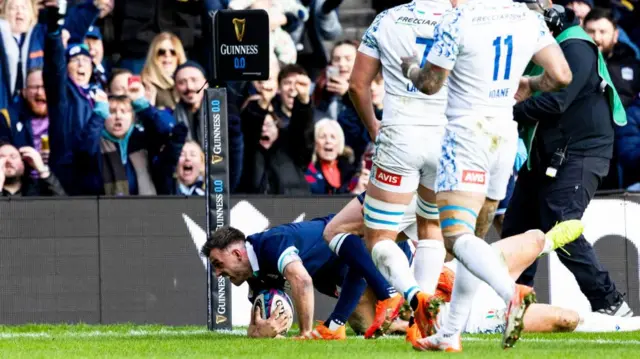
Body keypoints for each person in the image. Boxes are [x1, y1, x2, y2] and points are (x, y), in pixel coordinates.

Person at [402, 0, 572, 351]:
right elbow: (561, 76)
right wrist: (528, 82)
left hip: (467, 136)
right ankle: (450, 333)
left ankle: (511, 294)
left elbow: (431, 84)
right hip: (504, 136)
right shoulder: (524, 16)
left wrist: (409, 70)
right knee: (475, 239)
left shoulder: (458, 19)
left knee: (456, 239)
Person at [503, 1, 632, 318]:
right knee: (517, 230)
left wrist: (502, 113)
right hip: (548, 153)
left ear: (549, 19)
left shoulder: (575, 46)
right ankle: (516, 307)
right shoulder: (555, 46)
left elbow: (557, 101)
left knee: (561, 225)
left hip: (581, 152)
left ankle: (611, 303)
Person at [337, 0, 453, 341]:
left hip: (401, 134)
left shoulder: (387, 19)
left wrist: (374, 126)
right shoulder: (460, 19)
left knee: (378, 238)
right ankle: (424, 322)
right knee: (431, 226)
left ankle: (415, 296)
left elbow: (358, 84)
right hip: (446, 136)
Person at [200, 215, 414, 340]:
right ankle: (406, 322)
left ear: (237, 254)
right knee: (365, 326)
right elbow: (255, 323)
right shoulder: (254, 275)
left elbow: (302, 280)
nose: (218, 274)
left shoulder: (271, 244)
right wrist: (259, 332)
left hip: (376, 248)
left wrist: (305, 333)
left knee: (369, 315)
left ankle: (415, 305)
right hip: (345, 270)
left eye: (219, 264)